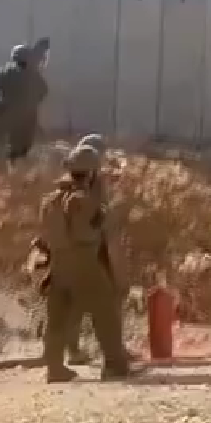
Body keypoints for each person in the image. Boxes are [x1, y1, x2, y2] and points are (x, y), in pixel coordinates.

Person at [32, 143, 134, 382]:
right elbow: (86, 232)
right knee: (105, 312)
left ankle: (55, 368)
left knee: (57, 317)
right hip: (84, 262)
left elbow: (46, 234)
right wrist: (103, 217)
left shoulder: (50, 201)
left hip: (58, 264)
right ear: (90, 173)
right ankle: (115, 365)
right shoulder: (82, 200)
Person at [0, 43, 47, 175]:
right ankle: (17, 175)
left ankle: (3, 174)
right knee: (20, 154)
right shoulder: (34, 76)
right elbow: (43, 92)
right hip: (26, 122)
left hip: (4, 118)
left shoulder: (3, 72)